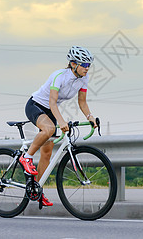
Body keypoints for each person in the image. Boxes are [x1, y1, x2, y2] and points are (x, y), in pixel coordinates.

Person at [21, 46, 98, 207]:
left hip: (50, 111)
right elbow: (52, 102)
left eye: (89, 64)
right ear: (73, 64)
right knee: (48, 129)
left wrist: (90, 117)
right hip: (36, 105)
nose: (87, 68)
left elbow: (82, 102)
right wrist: (61, 121)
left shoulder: (84, 78)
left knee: (47, 153)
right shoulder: (59, 76)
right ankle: (26, 157)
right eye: (84, 64)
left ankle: (37, 190)